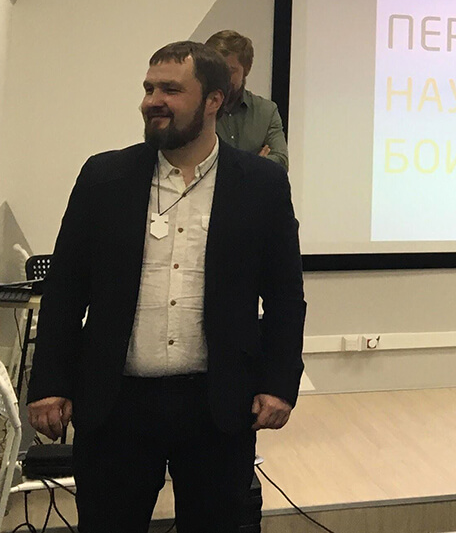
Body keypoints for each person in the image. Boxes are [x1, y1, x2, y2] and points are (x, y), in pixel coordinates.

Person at [26, 41, 306, 532]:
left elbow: (285, 296)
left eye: (171, 90)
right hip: (116, 404)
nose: (152, 101)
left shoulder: (261, 185)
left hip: (217, 404)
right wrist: (50, 384)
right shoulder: (104, 176)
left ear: (214, 100)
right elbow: (66, 288)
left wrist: (279, 383)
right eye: (149, 88)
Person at [205, 29, 289, 170]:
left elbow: (281, 162)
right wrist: (256, 162)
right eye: (214, 70)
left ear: (247, 69)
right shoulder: (196, 108)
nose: (221, 77)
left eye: (230, 71)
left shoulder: (266, 111)